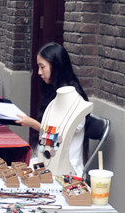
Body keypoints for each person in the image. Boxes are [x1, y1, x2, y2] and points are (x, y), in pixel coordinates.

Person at [14, 42, 88, 176]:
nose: (39, 72)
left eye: (43, 67)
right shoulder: (54, 93)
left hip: (66, 168)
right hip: (48, 161)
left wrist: (34, 124)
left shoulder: (77, 102)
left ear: (57, 66)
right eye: (38, 67)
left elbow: (62, 136)